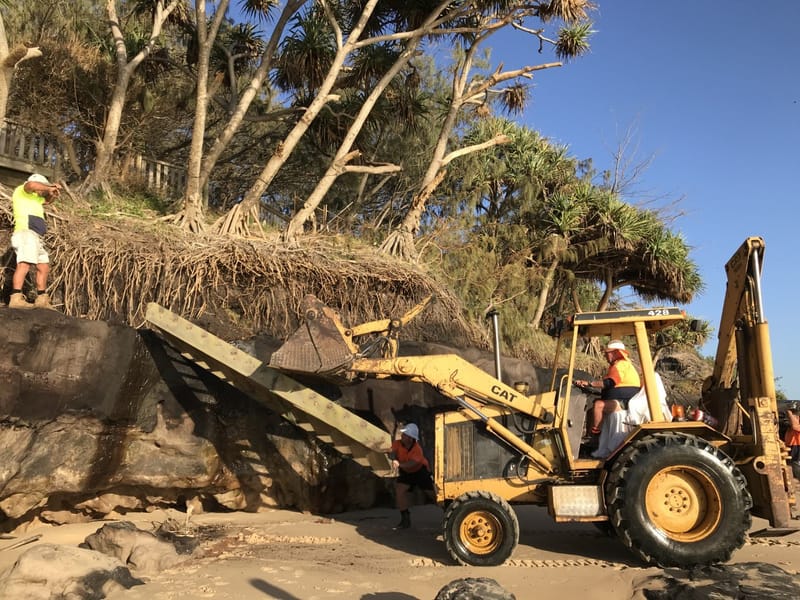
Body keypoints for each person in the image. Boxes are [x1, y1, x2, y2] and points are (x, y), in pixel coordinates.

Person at [9, 173, 61, 309]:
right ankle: (15, 298)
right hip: (25, 233)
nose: (41, 192)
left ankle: (42, 298)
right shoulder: (23, 190)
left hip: (36, 237)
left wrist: (52, 193)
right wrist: (49, 186)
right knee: (24, 264)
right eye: (41, 188)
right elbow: (32, 185)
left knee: (43, 266)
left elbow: (48, 201)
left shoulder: (35, 198)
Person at [573, 340, 641, 436]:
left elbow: (609, 383)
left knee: (598, 405)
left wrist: (590, 384)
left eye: (607, 353)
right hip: (620, 399)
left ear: (616, 353)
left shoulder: (620, 365)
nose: (605, 356)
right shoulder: (620, 365)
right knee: (591, 411)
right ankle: (589, 436)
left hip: (625, 402)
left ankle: (596, 435)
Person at [389, 423, 435, 530]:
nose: (402, 436)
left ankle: (447, 511)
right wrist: (392, 457)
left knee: (432, 494)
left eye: (405, 435)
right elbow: (391, 451)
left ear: (410, 438)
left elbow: (412, 463)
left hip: (420, 472)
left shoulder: (417, 449)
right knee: (400, 491)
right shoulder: (398, 443)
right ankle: (405, 519)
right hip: (406, 473)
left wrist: (399, 465)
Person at [785, 402, 800, 480]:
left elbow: (794, 426)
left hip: (796, 446)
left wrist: (789, 412)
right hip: (791, 445)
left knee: (794, 464)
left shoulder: (797, 425)